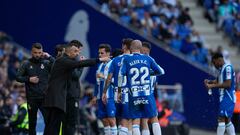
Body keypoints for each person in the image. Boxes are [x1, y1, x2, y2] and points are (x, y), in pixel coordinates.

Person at [43, 43, 109, 135]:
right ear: (68, 51)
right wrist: (100, 59)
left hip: (55, 98)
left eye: (78, 51)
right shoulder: (64, 61)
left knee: (52, 125)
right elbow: (79, 64)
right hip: (56, 99)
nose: (77, 53)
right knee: (54, 126)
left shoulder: (62, 61)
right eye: (75, 51)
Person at [118, 40, 165, 135]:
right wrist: (149, 72)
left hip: (134, 94)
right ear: (140, 48)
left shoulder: (126, 59)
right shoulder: (148, 59)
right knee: (153, 118)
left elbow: (120, 76)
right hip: (147, 94)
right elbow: (161, 72)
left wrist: (119, 91)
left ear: (131, 48)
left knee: (136, 120)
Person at [16, 43, 53, 135]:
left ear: (42, 52)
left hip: (44, 98)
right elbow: (18, 77)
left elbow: (58, 67)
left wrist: (50, 57)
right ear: (32, 52)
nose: (37, 55)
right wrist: (29, 79)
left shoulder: (46, 63)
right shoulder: (26, 63)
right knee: (32, 123)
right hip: (32, 98)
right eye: (35, 52)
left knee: (49, 121)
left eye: (39, 52)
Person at [102, 38, 133, 135]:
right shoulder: (134, 59)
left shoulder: (115, 60)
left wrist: (104, 92)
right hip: (129, 94)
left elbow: (109, 78)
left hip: (117, 94)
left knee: (119, 120)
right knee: (127, 121)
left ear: (124, 46)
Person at [204, 53, 236, 135]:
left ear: (219, 60)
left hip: (228, 97)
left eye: (214, 63)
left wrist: (212, 86)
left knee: (221, 118)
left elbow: (227, 84)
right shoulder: (222, 69)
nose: (214, 65)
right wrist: (209, 81)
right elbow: (219, 80)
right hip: (225, 97)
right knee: (227, 120)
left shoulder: (228, 68)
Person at [91, 44, 117, 135]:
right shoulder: (100, 65)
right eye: (99, 53)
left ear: (108, 53)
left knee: (111, 119)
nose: (99, 55)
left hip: (110, 96)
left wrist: (104, 76)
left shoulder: (113, 64)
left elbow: (117, 81)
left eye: (102, 53)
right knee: (104, 120)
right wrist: (94, 95)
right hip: (99, 97)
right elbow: (97, 83)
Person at [63, 40, 84, 135]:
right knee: (71, 123)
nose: (79, 53)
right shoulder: (72, 61)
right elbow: (76, 75)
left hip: (68, 95)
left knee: (67, 122)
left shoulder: (69, 60)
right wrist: (82, 64)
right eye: (78, 51)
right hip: (71, 96)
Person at [140, 41, 158, 135]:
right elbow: (156, 83)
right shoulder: (153, 62)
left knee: (142, 120)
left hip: (138, 94)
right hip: (150, 94)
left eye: (143, 50)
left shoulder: (139, 61)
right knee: (152, 118)